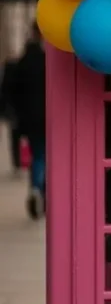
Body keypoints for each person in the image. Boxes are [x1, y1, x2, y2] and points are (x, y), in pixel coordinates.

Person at [11, 25, 46, 219]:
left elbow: (14, 93)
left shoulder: (23, 62)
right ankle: (43, 190)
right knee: (47, 157)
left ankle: (35, 187)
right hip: (50, 118)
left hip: (30, 120)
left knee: (38, 156)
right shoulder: (48, 62)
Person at [0, 56, 23, 175]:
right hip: (19, 110)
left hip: (12, 111)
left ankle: (17, 162)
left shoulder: (8, 73)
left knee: (15, 138)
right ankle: (19, 162)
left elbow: (4, 93)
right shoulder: (19, 72)